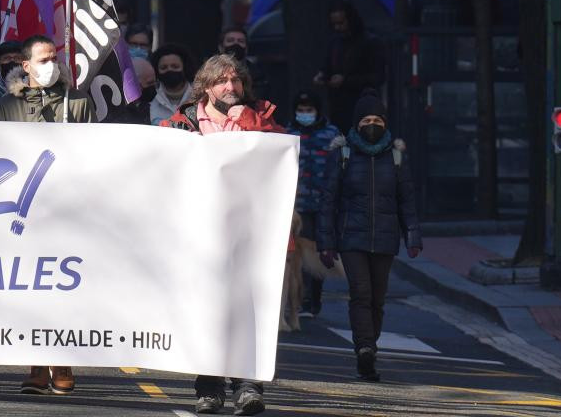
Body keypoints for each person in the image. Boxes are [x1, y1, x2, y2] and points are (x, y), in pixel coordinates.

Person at [163, 51, 281, 415]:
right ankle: (209, 388)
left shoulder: (260, 117)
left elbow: (282, 158)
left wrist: (249, 122)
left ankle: (248, 385)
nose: (230, 87)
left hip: (250, 232)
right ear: (206, 86)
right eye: (221, 81)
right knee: (205, 310)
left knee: (248, 308)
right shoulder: (179, 124)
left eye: (236, 80)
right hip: (198, 234)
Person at [0, 33, 88, 393]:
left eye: (54, 58)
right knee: (30, 287)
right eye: (43, 59)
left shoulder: (77, 102)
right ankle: (35, 367)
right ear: (25, 66)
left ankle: (62, 363)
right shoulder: (3, 107)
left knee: (61, 287)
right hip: (21, 210)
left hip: (64, 209)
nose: (51, 64)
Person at [319, 95, 420, 382]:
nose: (372, 125)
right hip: (352, 237)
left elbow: (407, 200)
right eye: (366, 121)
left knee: (377, 298)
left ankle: (369, 346)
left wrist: (413, 235)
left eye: (377, 121)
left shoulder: (397, 157)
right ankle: (364, 348)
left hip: (385, 238)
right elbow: (329, 200)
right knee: (361, 293)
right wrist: (325, 242)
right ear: (356, 124)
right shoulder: (343, 154)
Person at [288, 90, 339, 317]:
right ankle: (301, 298)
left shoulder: (331, 135)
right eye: (301, 110)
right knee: (299, 254)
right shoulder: (288, 133)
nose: (305, 114)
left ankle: (313, 299)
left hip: (323, 204)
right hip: (297, 204)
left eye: (309, 110)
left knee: (319, 252)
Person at [314, 2, 385, 129]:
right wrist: (322, 75)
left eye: (341, 23)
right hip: (338, 105)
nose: (337, 28)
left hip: (362, 104)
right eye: (334, 24)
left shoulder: (369, 42)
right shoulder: (335, 42)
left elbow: (378, 76)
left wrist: (346, 81)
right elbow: (328, 65)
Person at [149, 44, 194, 125]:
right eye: (163, 67)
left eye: (175, 66)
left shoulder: (198, 96)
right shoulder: (150, 99)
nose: (169, 70)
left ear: (185, 68)